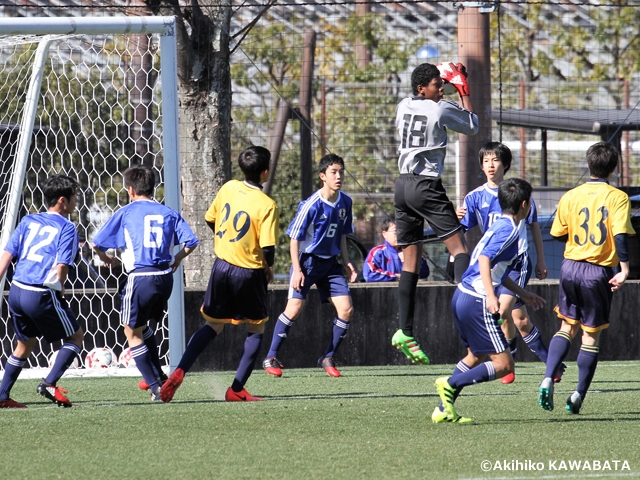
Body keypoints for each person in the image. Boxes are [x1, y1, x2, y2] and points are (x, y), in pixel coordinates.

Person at [159, 146, 279, 403]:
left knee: (213, 325)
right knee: (256, 328)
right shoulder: (267, 205)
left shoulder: (228, 187)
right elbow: (268, 250)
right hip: (249, 272)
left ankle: (179, 371)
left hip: (222, 267)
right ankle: (236, 389)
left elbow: (210, 219)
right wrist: (268, 271)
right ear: (265, 172)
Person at [433, 178, 546, 423]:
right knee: (505, 365)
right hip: (477, 300)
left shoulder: (501, 224)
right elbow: (484, 259)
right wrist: (492, 295)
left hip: (463, 295)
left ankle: (443, 409)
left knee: (475, 355)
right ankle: (450, 383)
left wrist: (522, 293)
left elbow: (496, 269)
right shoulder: (510, 230)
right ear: (525, 205)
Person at [392, 61, 479, 365]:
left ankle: (405, 331)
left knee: (411, 261)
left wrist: (444, 79)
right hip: (426, 186)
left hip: (402, 186)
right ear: (421, 88)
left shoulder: (403, 105)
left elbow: (430, 104)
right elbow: (472, 125)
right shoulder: (439, 109)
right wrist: (463, 89)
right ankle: (474, 321)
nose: (441, 89)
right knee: (459, 249)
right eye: (436, 85)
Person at [539, 142, 634, 414]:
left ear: (588, 165)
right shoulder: (618, 197)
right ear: (614, 168)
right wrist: (624, 270)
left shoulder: (571, 195)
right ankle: (578, 395)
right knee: (590, 337)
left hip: (570, 267)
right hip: (597, 272)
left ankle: (548, 376)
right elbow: (619, 235)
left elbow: (558, 232)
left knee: (566, 327)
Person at [457, 142, 563, 385]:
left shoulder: (519, 193)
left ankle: (509, 361)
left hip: (517, 262)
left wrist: (541, 259)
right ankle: (550, 364)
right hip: (495, 265)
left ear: (505, 164)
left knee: (503, 311)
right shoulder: (474, 197)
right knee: (520, 320)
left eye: (495, 160)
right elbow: (460, 229)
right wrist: (454, 217)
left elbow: (534, 225)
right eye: (486, 161)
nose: (490, 165)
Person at [92, 165, 199, 401]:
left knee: (131, 332)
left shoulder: (126, 212)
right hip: (165, 279)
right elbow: (191, 241)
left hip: (140, 278)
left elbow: (96, 243)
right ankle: (159, 374)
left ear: (130, 190)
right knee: (143, 326)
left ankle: (156, 388)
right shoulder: (169, 212)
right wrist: (178, 258)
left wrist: (105, 258)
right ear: (153, 188)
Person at [262, 153, 358, 379]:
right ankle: (271, 357)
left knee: (346, 309)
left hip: (330, 265)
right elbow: (294, 239)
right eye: (334, 172)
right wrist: (297, 270)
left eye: (341, 172)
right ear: (322, 176)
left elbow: (343, 234)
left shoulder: (346, 201)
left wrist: (347, 262)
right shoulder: (311, 205)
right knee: (293, 309)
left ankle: (328, 357)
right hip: (307, 262)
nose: (339, 176)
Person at [0, 175, 84, 408]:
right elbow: (62, 266)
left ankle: (2, 396)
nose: (76, 201)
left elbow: (6, 256)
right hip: (39, 293)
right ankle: (49, 382)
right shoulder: (67, 228)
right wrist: (61, 288)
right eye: (74, 197)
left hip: (16, 291)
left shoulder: (28, 221)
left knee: (24, 344)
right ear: (62, 201)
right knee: (76, 336)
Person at [362, 217, 429, 282]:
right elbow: (368, 275)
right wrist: (396, 277)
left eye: (401, 231)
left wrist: (409, 261)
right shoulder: (377, 252)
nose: (399, 235)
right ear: (384, 234)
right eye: (395, 231)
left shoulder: (411, 250)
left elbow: (424, 273)